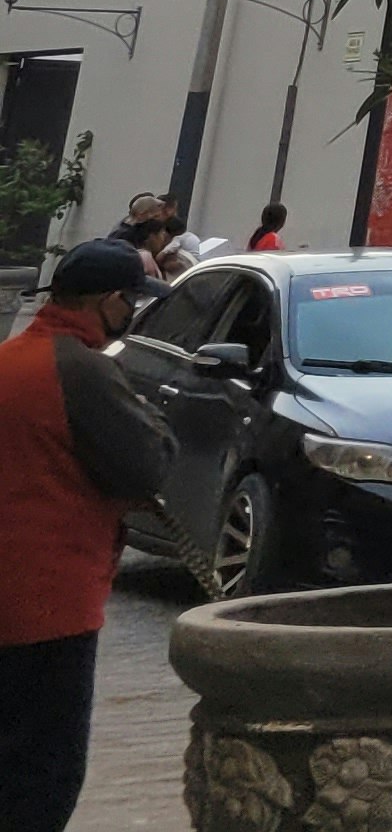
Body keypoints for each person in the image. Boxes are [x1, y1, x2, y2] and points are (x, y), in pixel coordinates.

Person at [0, 241, 172, 832]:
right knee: (45, 771)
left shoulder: (10, 360)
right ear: (109, 302)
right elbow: (147, 462)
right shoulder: (82, 370)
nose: (133, 315)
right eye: (131, 303)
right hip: (52, 602)